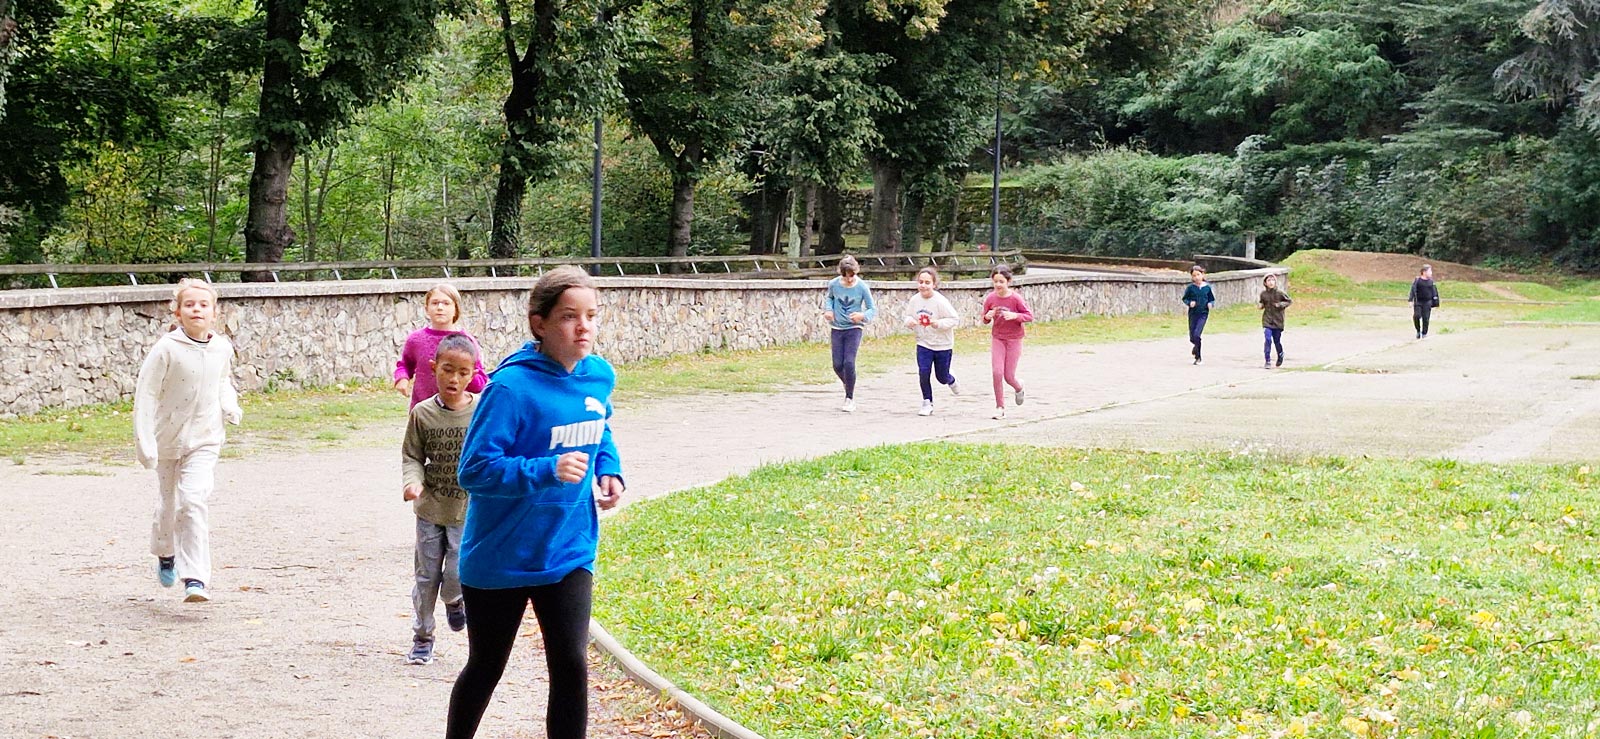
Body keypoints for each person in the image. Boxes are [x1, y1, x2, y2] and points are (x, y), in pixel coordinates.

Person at [447, 266, 625, 739]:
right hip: (501, 554)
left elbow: (598, 428)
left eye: (591, 315)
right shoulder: (510, 389)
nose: (583, 326)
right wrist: (544, 470)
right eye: (569, 316)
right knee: (486, 666)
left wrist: (609, 467)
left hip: (568, 548)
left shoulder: (599, 377)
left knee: (571, 663)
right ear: (539, 323)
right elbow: (475, 470)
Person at [134, 278, 243, 604]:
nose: (197, 309)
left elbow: (222, 381)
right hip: (167, 439)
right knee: (169, 504)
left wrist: (230, 406)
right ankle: (165, 554)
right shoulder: (166, 349)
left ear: (214, 312)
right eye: (189, 305)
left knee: (193, 500)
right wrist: (145, 442)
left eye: (203, 304)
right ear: (178, 312)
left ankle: (195, 578)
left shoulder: (222, 347)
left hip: (205, 438)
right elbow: (147, 394)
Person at [400, 335, 481, 666]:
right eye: (448, 370)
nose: (454, 379)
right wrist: (412, 482)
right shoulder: (422, 414)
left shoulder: (481, 411)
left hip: (467, 512)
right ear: (434, 369)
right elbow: (411, 455)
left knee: (455, 573)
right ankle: (423, 636)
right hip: (430, 510)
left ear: (472, 373)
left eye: (463, 372)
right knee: (426, 575)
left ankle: (454, 599)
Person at [394, 283, 490, 407]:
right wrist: (402, 378)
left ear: (456, 309)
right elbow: (405, 365)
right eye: (435, 303)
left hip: (458, 411)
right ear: (426, 308)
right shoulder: (416, 340)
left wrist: (464, 377)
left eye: (446, 303)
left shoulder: (467, 342)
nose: (440, 307)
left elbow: (479, 379)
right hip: (424, 410)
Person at [902, 266, 961, 416]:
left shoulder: (940, 301)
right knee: (923, 371)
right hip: (923, 342)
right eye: (921, 282)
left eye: (927, 282)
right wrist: (909, 321)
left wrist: (938, 324)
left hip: (943, 345)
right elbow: (908, 316)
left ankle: (951, 379)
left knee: (941, 377)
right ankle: (927, 402)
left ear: (934, 284)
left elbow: (954, 319)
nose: (923, 285)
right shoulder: (915, 300)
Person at [822, 255, 877, 413]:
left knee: (849, 362)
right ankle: (849, 383)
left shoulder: (862, 287)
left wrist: (862, 316)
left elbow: (872, 308)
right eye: (845, 276)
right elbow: (830, 298)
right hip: (837, 328)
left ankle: (849, 397)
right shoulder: (833, 284)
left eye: (851, 275)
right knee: (837, 365)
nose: (849, 280)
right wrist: (829, 310)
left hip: (854, 328)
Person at [981, 264, 1033, 420]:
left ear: (1008, 282)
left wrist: (1015, 316)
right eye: (995, 281)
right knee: (997, 372)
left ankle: (1019, 387)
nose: (998, 285)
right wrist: (987, 316)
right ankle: (1000, 407)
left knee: (1008, 376)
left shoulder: (1015, 298)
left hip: (1014, 339)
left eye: (1001, 281)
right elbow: (984, 318)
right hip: (998, 338)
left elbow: (1029, 316)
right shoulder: (990, 298)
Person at [1181, 265, 1216, 365]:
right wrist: (1189, 303)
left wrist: (1211, 304)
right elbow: (1185, 298)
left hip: (1203, 314)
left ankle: (1198, 357)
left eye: (1198, 275)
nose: (1196, 277)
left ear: (1202, 274)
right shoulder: (1190, 288)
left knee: (1197, 334)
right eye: (1194, 275)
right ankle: (1195, 346)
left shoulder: (1207, 288)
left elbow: (1211, 299)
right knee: (1192, 337)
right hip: (1193, 314)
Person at [1258, 274, 1292, 369]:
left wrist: (1280, 304)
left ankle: (1280, 354)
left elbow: (1289, 301)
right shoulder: (1263, 294)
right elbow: (1262, 302)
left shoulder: (1280, 293)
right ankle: (1267, 360)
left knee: (1277, 341)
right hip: (1267, 320)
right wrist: (1261, 306)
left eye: (1273, 280)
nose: (1271, 282)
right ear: (1265, 283)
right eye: (1269, 280)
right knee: (1268, 339)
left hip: (1278, 320)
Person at [1408, 264, 1439, 339]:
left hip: (1427, 302)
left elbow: (1434, 292)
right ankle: (1418, 331)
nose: (1431, 273)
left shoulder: (1431, 282)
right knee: (1417, 316)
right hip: (1418, 301)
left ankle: (1424, 333)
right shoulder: (1417, 280)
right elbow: (1412, 290)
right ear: (1424, 272)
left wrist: (1435, 302)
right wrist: (1410, 300)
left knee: (1426, 318)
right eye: (1429, 271)